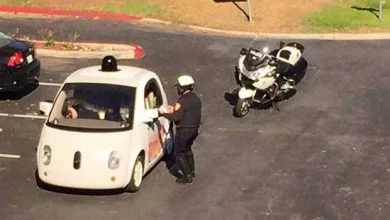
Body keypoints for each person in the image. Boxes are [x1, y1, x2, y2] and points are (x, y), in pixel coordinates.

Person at [158, 75, 202, 184]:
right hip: (194, 129)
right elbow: (187, 112)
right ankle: (192, 171)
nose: (177, 89)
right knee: (187, 149)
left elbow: (176, 117)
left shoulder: (182, 101)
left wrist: (163, 114)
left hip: (184, 130)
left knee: (179, 152)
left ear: (182, 88)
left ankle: (187, 176)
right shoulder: (195, 98)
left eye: (178, 87)